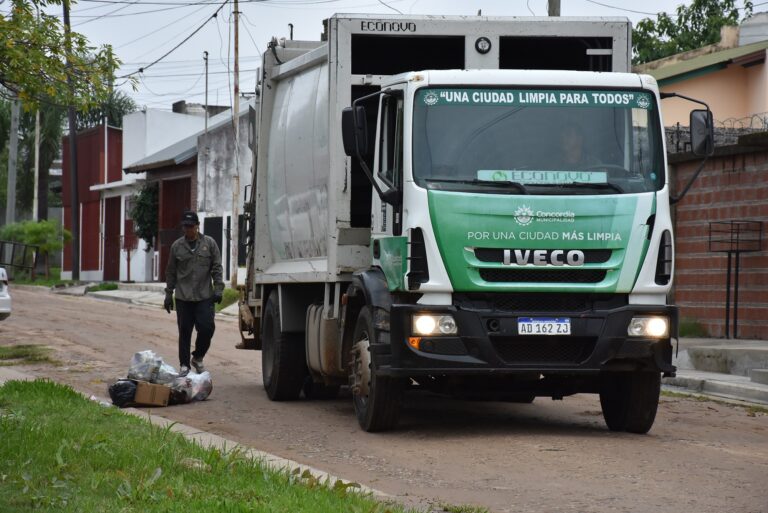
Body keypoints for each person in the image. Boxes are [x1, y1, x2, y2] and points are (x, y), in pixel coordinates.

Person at [164, 211, 224, 377]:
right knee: (184, 332)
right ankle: (184, 365)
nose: (188, 229)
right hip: (183, 297)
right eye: (185, 226)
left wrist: (218, 289)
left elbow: (217, 267)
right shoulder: (177, 246)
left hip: (204, 296)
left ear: (197, 226)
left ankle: (197, 357)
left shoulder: (209, 243)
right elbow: (171, 271)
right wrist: (168, 294)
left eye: (190, 226)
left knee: (207, 328)